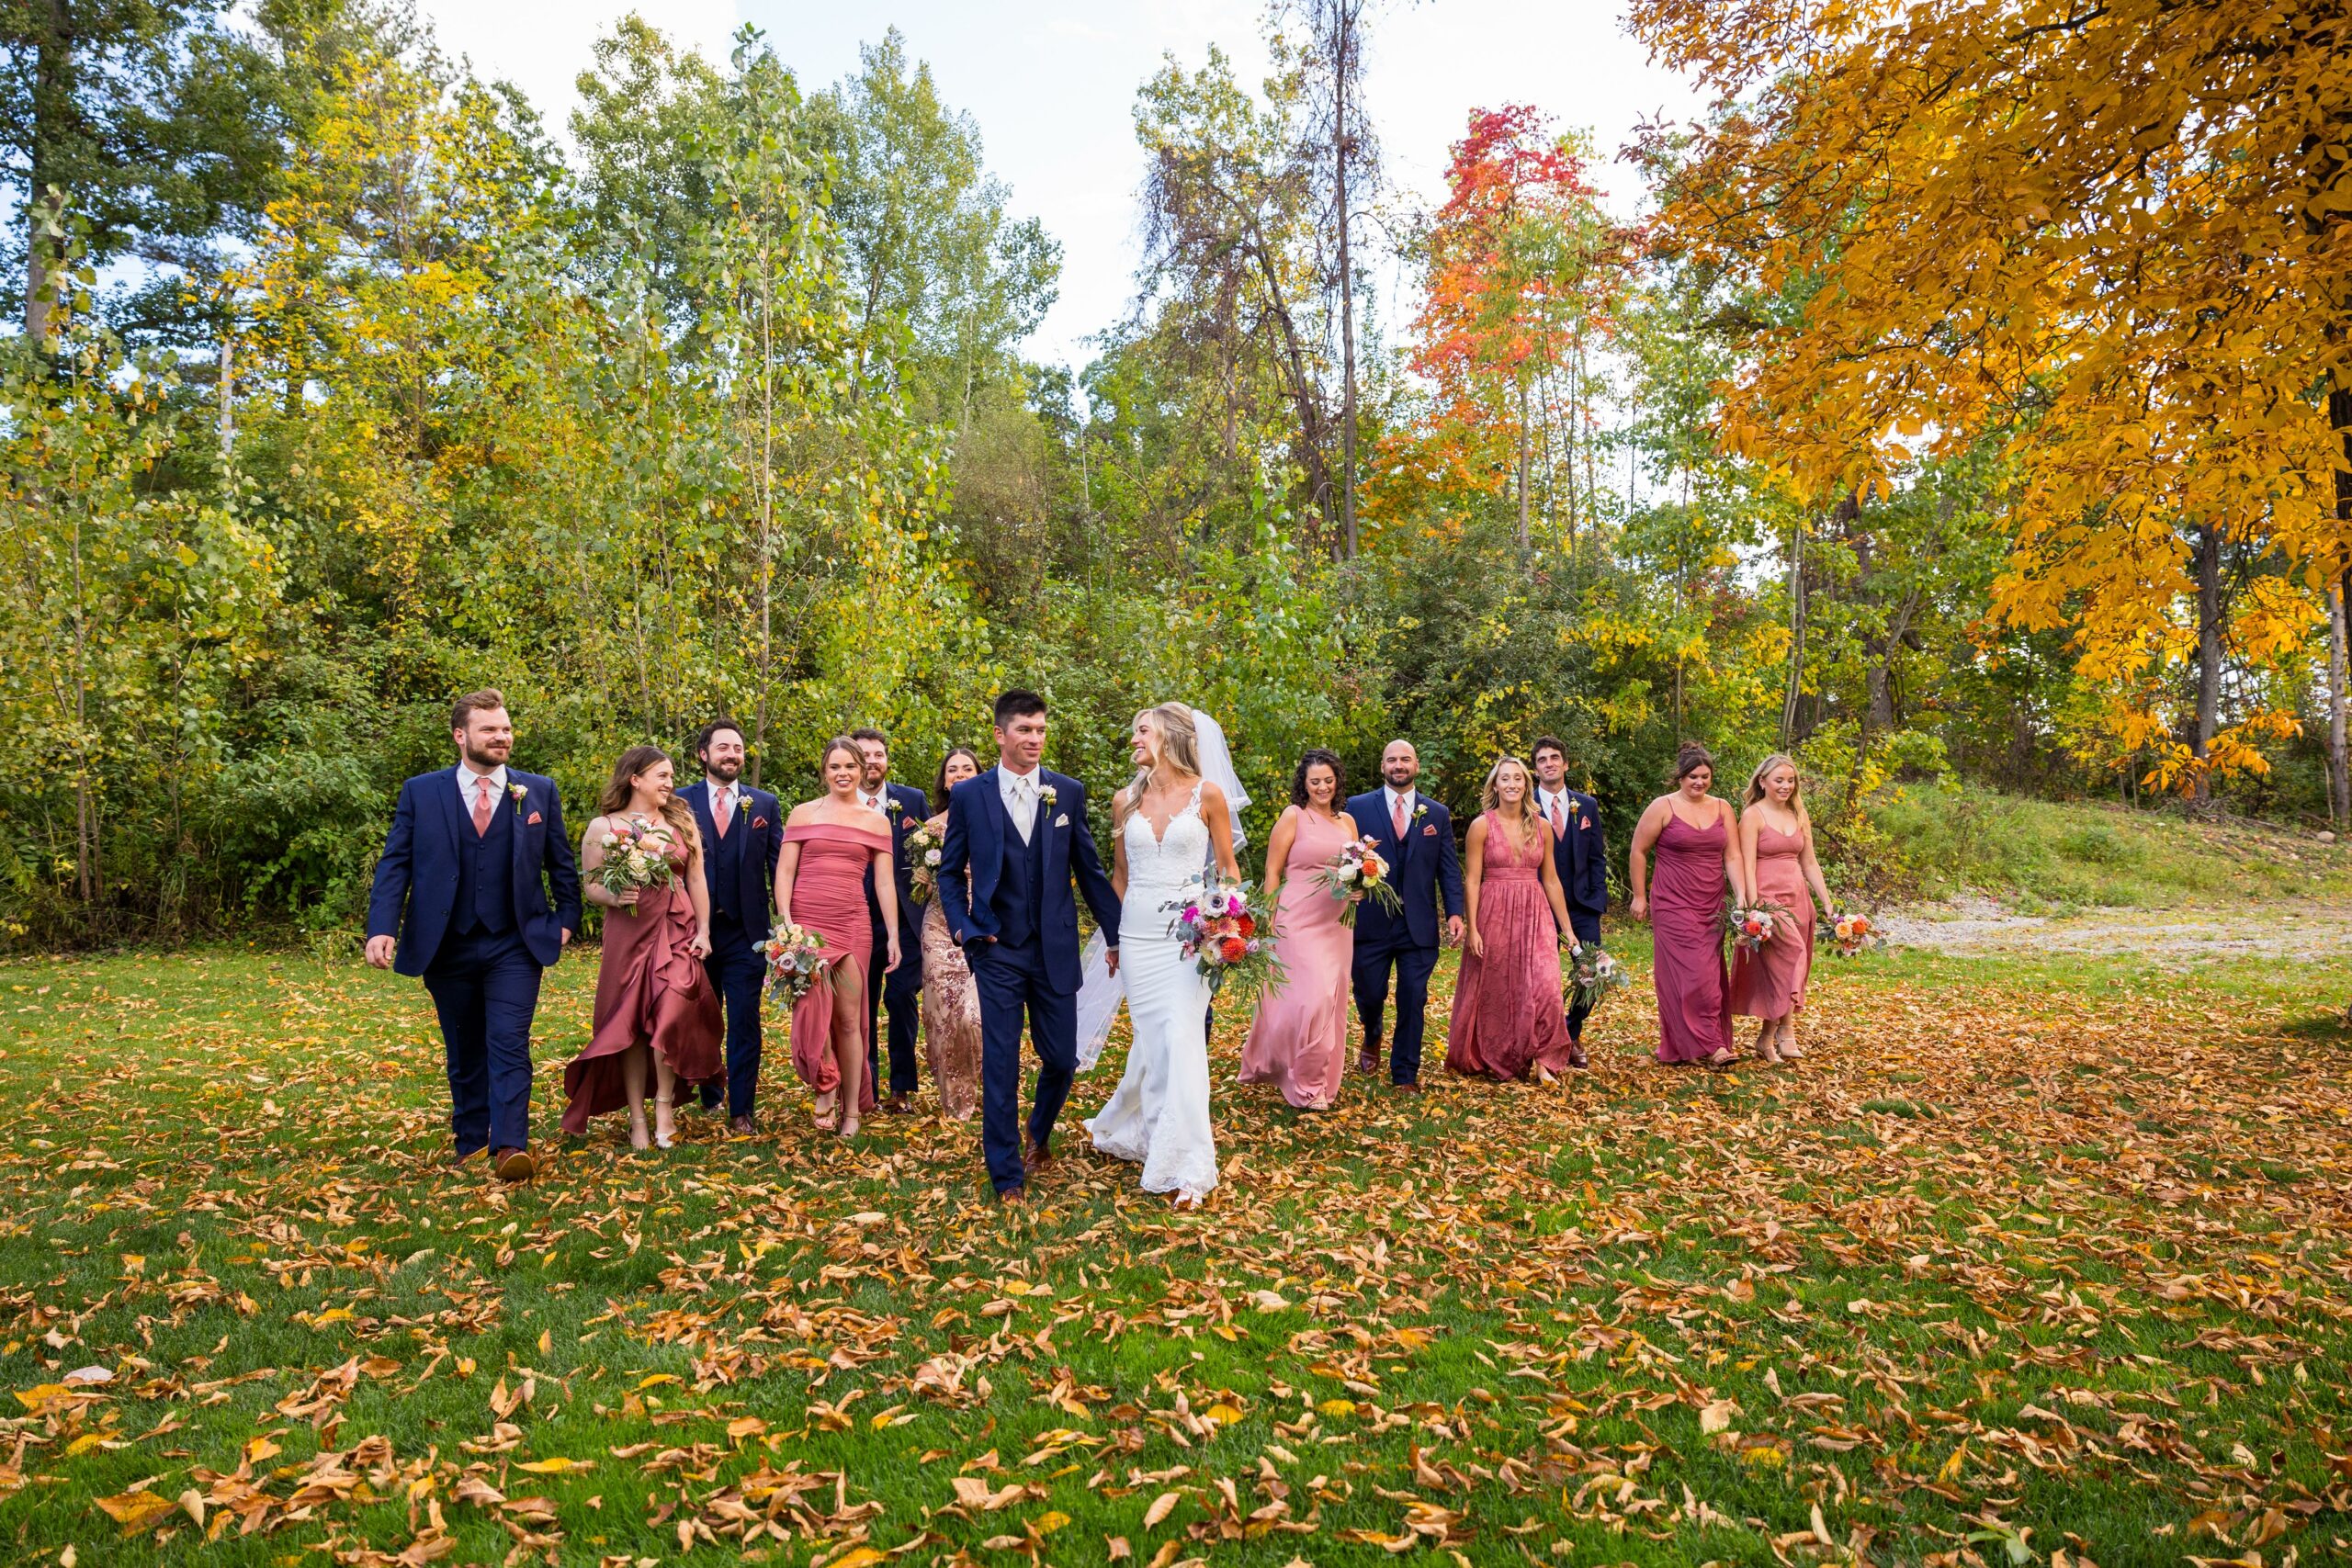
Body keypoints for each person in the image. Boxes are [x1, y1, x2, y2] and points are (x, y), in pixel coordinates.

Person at [367, 691, 581, 1182]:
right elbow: (396, 862)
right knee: (464, 1045)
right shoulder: (422, 792)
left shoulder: (538, 791)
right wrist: (381, 926)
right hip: (446, 940)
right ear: (461, 736)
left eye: (505, 728)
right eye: (490, 729)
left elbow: (560, 863)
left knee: (509, 1041)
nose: (502, 737)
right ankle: (470, 1138)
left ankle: (510, 1146)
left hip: (515, 942)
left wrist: (566, 920)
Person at [938, 690, 1123, 1202]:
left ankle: (1038, 1132)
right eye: (1024, 730)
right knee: (1001, 1061)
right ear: (1000, 734)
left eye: (1041, 730)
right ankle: (1006, 1175)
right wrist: (965, 928)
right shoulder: (970, 796)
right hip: (996, 948)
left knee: (1062, 1058)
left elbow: (1089, 870)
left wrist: (1116, 932)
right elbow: (949, 874)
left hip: (1055, 948)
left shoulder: (1066, 792)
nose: (1035, 739)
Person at [1085, 705, 1241, 1206]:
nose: (1133, 739)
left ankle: (1188, 1164)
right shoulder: (1124, 800)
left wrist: (1224, 922)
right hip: (1135, 937)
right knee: (1153, 1043)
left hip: (1187, 940)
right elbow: (1120, 877)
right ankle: (1146, 1129)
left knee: (1181, 1038)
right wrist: (1111, 937)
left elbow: (1228, 868)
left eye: (1142, 731)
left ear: (1169, 736)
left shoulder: (1207, 796)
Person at [561, 746, 724, 1148]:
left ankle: (665, 1108)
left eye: (671, 776)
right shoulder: (604, 826)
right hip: (629, 934)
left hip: (677, 928)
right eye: (662, 776)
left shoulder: (681, 822)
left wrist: (704, 931)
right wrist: (615, 897)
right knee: (629, 1027)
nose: (670, 783)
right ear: (635, 779)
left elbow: (697, 880)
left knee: (671, 1016)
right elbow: (592, 885)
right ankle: (637, 1119)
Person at [777, 738, 900, 1138]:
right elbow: (784, 874)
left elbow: (884, 884)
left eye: (850, 766)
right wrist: (787, 923)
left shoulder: (876, 821)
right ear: (824, 772)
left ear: (862, 771)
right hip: (807, 927)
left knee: (850, 1020)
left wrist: (895, 933)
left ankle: (852, 1111)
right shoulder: (802, 813)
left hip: (852, 924)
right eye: (835, 767)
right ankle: (826, 1080)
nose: (842, 773)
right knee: (813, 1011)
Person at [1446, 757, 1583, 1084]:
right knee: (1500, 988)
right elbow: (1472, 880)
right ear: (1495, 785)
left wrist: (1568, 930)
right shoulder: (1481, 825)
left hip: (1534, 911)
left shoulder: (1542, 826)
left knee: (1546, 986)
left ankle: (1543, 1058)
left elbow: (1550, 879)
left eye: (1517, 778)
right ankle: (1505, 1053)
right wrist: (1474, 928)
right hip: (1494, 910)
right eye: (1504, 778)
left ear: (1526, 784)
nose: (1511, 784)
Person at [1238, 749, 1355, 1111]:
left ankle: (1312, 1080)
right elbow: (1273, 871)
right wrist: (1269, 917)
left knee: (1330, 1000)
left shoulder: (1347, 822)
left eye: (1328, 780)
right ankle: (1297, 1073)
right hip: (1297, 917)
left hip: (1337, 922)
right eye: (1315, 781)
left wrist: (1362, 886)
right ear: (1304, 785)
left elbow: (1357, 864)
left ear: (1338, 781)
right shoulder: (1294, 816)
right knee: (1309, 997)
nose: (1322, 787)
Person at [680, 719, 783, 1134]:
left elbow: (779, 867)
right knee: (701, 1017)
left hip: (747, 933)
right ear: (704, 754)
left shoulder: (763, 804)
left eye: (738, 749)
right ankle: (709, 1088)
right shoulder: (679, 801)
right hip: (693, 931)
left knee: (745, 1019)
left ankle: (742, 1108)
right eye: (723, 748)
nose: (732, 755)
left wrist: (787, 920)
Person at [1345, 739, 1464, 1093]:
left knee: (1413, 995)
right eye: (1392, 760)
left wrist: (1455, 912)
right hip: (1370, 920)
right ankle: (1372, 1030)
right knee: (1369, 992)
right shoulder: (1356, 808)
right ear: (1382, 767)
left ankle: (1405, 1074)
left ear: (1417, 766)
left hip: (1418, 924)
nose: (1399, 765)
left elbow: (1448, 869)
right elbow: (1346, 858)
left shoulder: (1436, 814)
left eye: (1406, 759)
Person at [1627, 742, 1747, 1067]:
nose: (1699, 782)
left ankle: (1686, 1045)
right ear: (1679, 777)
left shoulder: (1723, 808)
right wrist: (1639, 896)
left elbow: (1732, 855)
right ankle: (1713, 1045)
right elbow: (1638, 851)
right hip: (1672, 901)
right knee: (1695, 973)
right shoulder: (1662, 807)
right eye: (1693, 776)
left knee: (1706, 970)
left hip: (1711, 902)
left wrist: (1743, 897)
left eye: (1705, 776)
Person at [1731, 753, 1838, 1065]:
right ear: (1762, 782)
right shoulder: (1753, 815)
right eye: (1779, 780)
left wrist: (1827, 901)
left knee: (1788, 970)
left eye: (1790, 781)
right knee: (1793, 956)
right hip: (1768, 900)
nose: (1786, 786)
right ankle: (1785, 1031)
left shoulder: (1799, 814)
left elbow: (1810, 861)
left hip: (1798, 898)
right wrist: (1752, 908)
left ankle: (1768, 1037)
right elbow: (1747, 864)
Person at [852, 728, 930, 1115]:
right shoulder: (839, 803)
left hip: (905, 921)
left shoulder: (911, 800)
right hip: (857, 920)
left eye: (878, 754)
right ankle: (865, 1085)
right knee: (860, 1003)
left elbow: (935, 851)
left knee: (900, 999)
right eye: (864, 754)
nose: (872, 761)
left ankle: (901, 1087)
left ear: (886, 759)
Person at [919, 747, 986, 1120]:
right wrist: (925, 873)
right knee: (944, 1015)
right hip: (939, 927)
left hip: (983, 923)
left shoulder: (996, 819)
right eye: (952, 770)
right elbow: (921, 888)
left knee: (973, 1016)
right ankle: (955, 1101)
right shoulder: (929, 829)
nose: (959, 774)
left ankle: (986, 1086)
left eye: (967, 768)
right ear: (944, 781)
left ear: (979, 775)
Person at [1532, 737, 1605, 1067]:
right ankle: (1541, 1038)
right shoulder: (1525, 805)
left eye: (1555, 757)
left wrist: (1597, 898)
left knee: (1595, 974)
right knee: (1540, 978)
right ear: (1535, 769)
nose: (1549, 763)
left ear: (1566, 764)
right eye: (1542, 759)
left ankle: (1570, 1032)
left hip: (1582, 905)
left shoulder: (1586, 805)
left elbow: (1597, 857)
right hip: (1538, 904)